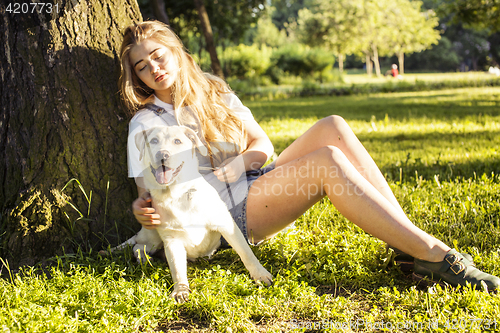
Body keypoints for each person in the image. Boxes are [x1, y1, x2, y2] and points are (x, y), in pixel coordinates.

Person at [118, 20, 500, 291]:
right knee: (327, 161)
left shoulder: (213, 88)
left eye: (158, 55)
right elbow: (147, 193)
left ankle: (405, 248)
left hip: (250, 180)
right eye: (142, 66)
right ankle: (434, 255)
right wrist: (142, 210)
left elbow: (262, 144)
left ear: (176, 52)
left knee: (332, 125)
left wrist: (240, 162)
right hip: (223, 212)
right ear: (138, 77)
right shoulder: (146, 122)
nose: (154, 68)